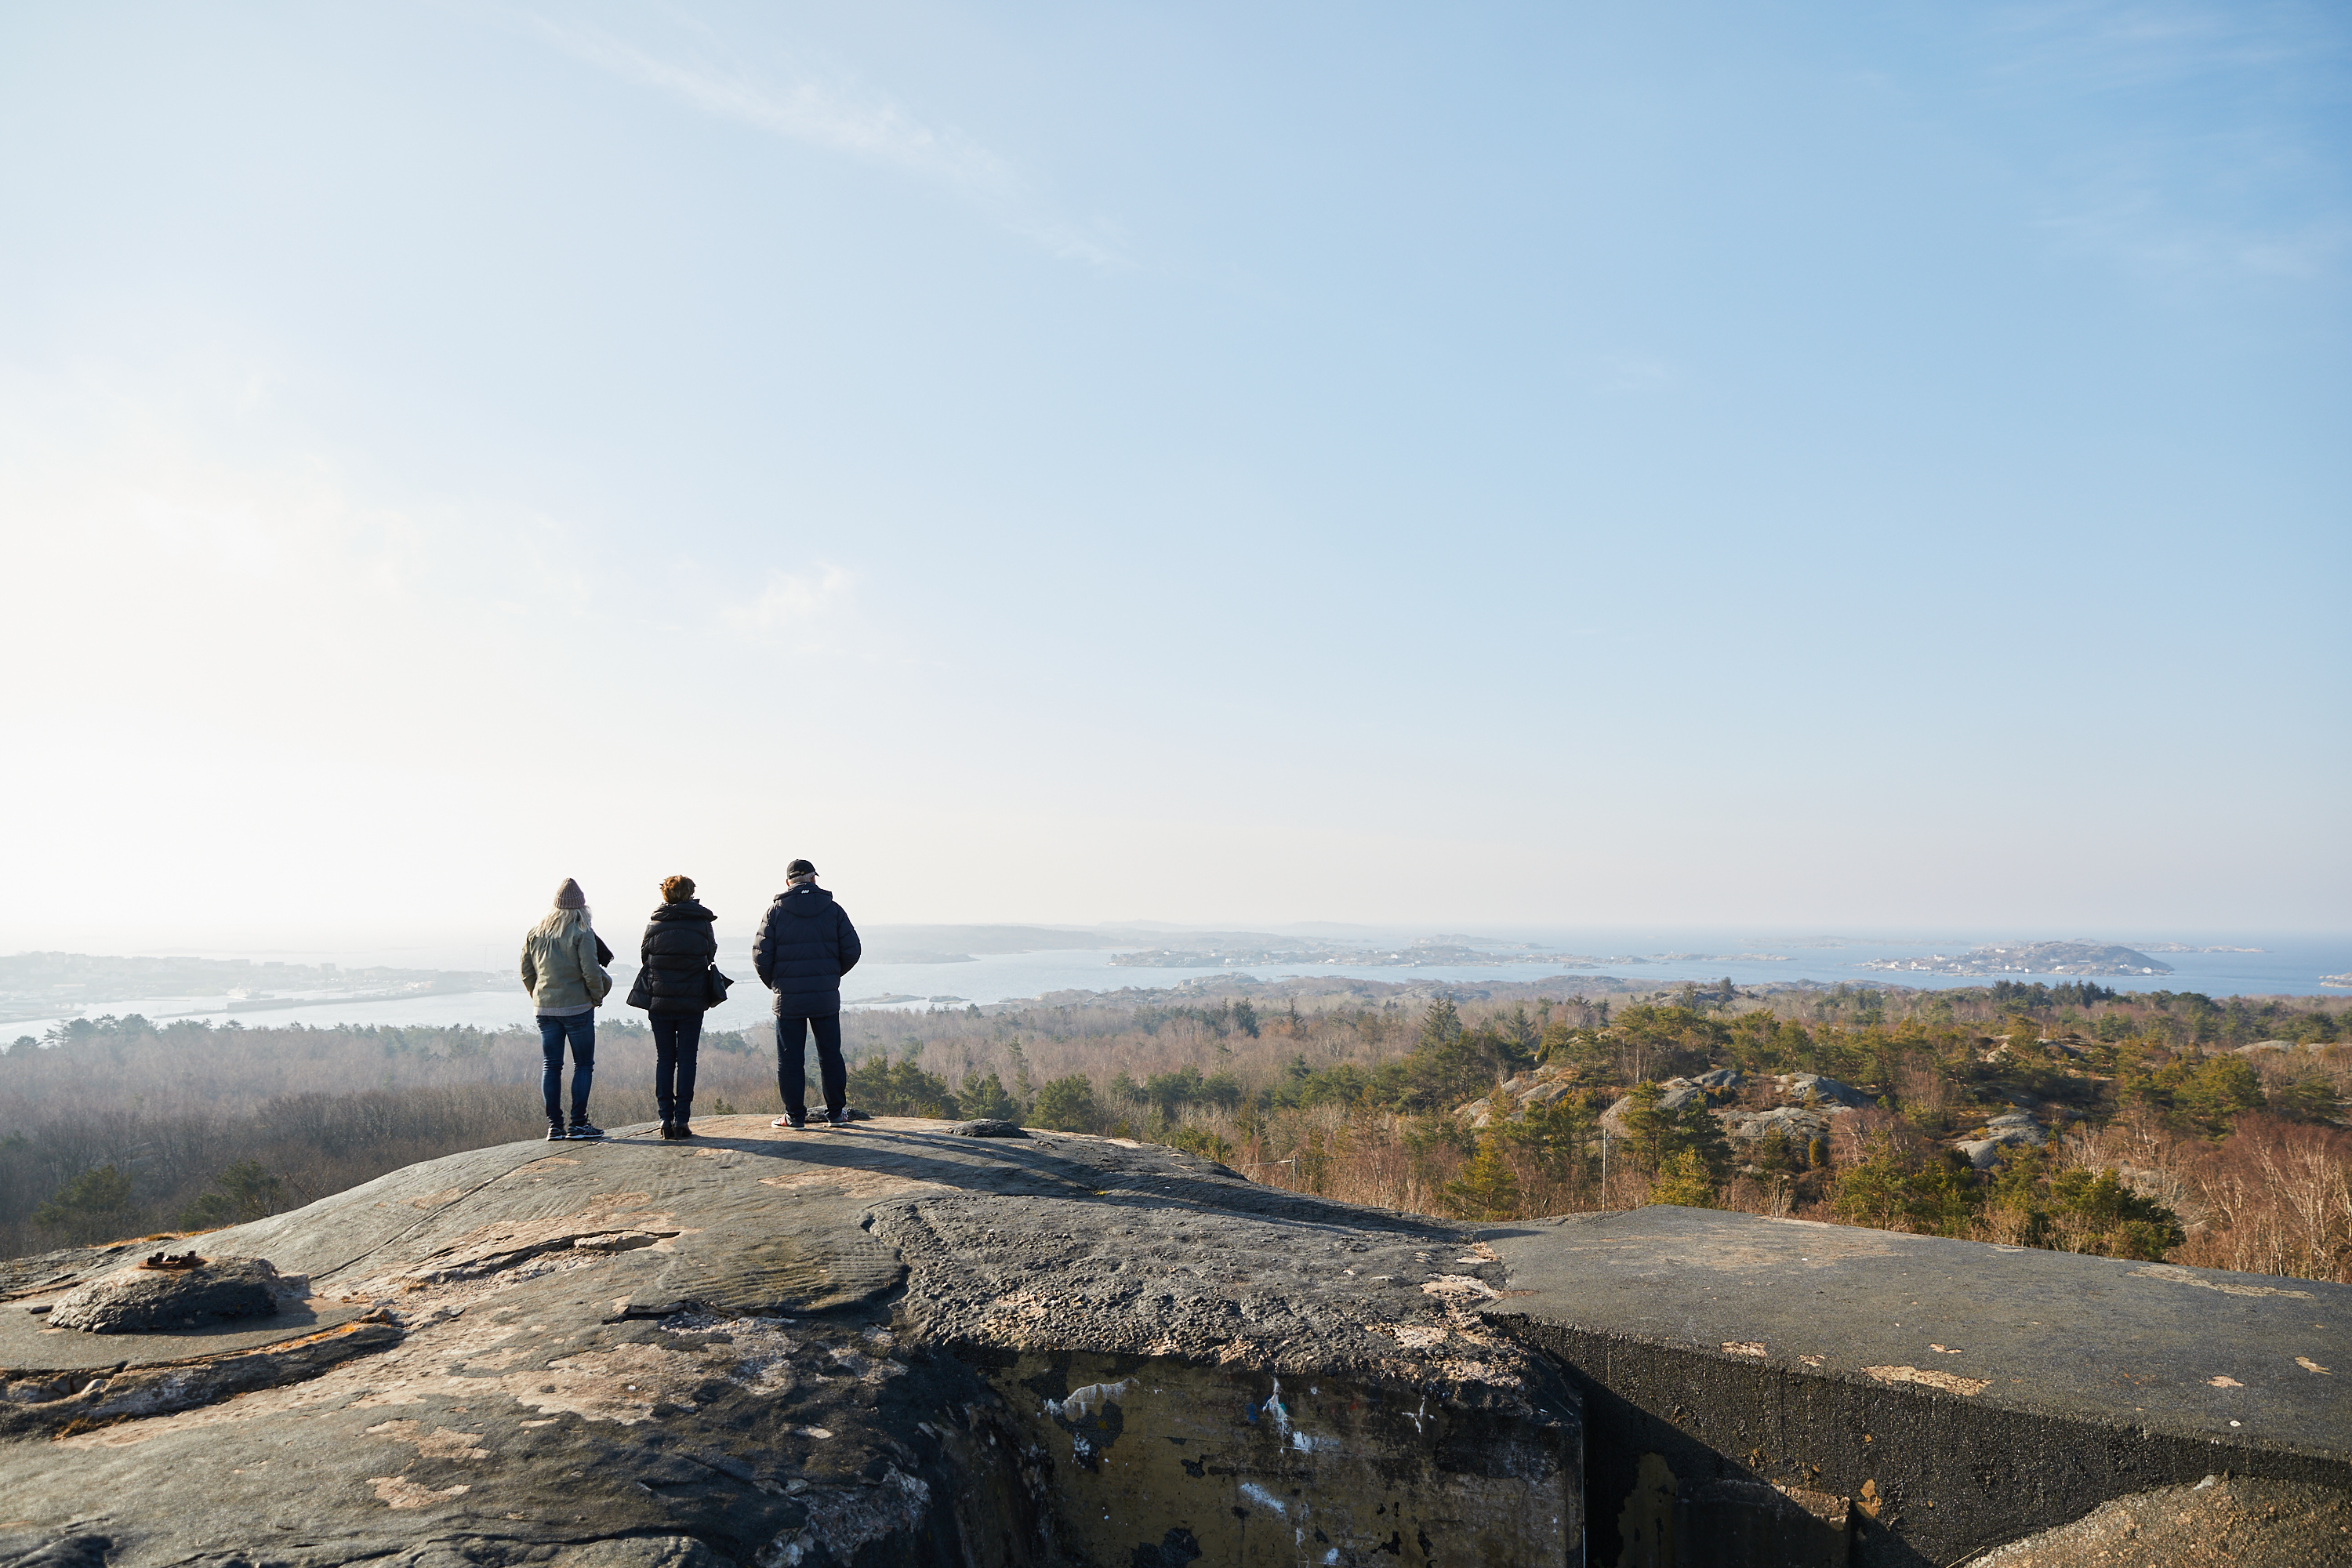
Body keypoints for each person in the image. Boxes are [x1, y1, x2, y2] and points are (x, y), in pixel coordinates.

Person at [753, 858, 862, 1129]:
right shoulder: (833, 910)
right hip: (824, 997)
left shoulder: (774, 913)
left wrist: (778, 984)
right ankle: (836, 1114)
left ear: (788, 883)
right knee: (830, 1055)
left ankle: (794, 1117)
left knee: (790, 1059)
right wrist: (829, 977)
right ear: (814, 880)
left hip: (788, 998)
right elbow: (852, 950)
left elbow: (760, 957)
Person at [520, 878, 611, 1140]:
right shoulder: (582, 932)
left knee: (551, 1066)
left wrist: (538, 996)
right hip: (577, 1008)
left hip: (545, 1009)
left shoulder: (536, 932)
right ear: (581, 908)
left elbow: (526, 971)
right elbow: (591, 972)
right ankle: (579, 1124)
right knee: (583, 1065)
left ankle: (554, 1126)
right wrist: (597, 998)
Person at [637, 874, 718, 1140]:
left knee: (664, 1059)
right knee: (686, 1059)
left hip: (659, 1001)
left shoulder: (655, 923)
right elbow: (710, 954)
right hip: (692, 1000)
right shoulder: (702, 923)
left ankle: (664, 1119)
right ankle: (682, 1119)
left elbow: (645, 956)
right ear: (690, 894)